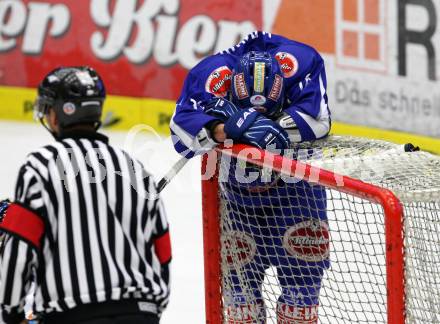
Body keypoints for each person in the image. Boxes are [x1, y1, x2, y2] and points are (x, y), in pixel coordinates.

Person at [170, 31, 331, 323]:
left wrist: (258, 125)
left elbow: (320, 120)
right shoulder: (211, 78)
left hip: (298, 199)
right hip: (236, 204)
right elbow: (180, 131)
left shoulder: (302, 63)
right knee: (242, 312)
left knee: (300, 310)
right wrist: (224, 127)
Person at [0, 67, 171, 324]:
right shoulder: (135, 168)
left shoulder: (40, 165)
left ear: (56, 115)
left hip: (73, 315)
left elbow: (19, 250)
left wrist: (13, 314)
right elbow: (162, 250)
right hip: (141, 313)